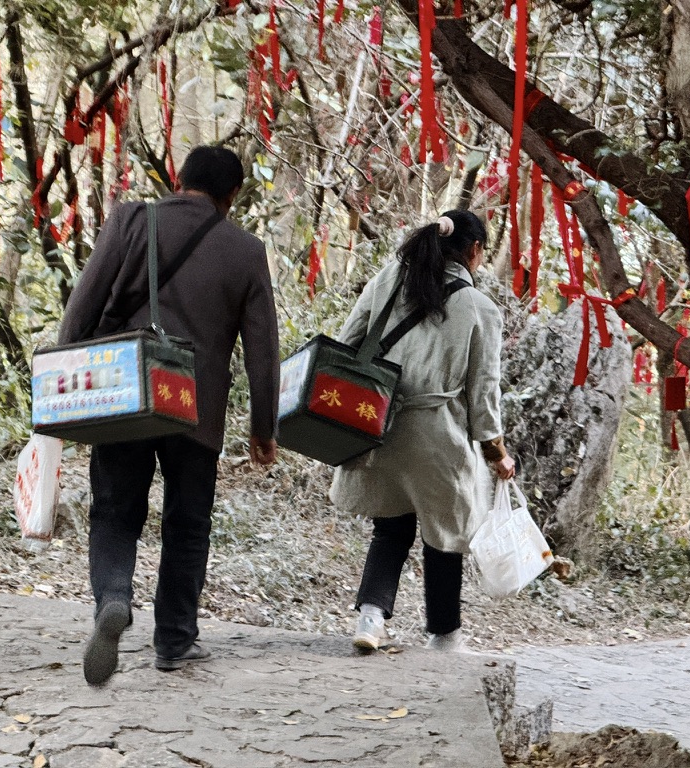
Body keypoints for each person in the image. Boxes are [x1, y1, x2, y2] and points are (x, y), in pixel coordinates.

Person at [58, 145, 280, 685]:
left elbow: (81, 308)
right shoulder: (246, 250)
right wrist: (263, 427)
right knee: (188, 523)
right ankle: (175, 640)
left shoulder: (131, 219)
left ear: (178, 180)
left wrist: (64, 389)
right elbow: (262, 349)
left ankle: (114, 597)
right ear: (233, 195)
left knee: (114, 511)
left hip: (125, 390)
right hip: (195, 406)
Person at [329, 209, 515, 653]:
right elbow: (483, 393)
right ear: (474, 250)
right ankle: (444, 636)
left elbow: (347, 341)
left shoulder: (389, 280)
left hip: (379, 421)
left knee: (390, 527)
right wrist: (497, 452)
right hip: (439, 435)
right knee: (444, 534)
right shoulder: (480, 308)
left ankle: (371, 619)